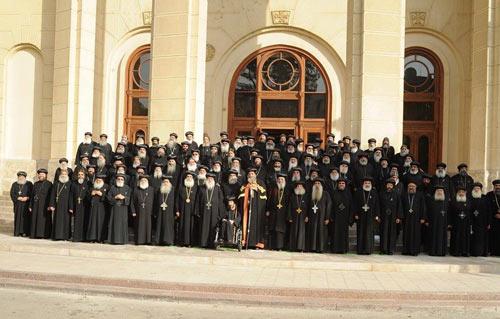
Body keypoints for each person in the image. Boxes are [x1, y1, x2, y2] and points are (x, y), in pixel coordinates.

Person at [238, 167, 267, 249]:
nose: (251, 175)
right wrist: (247, 190)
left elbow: (264, 196)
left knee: (256, 226)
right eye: (249, 174)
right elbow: (240, 196)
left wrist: (256, 189)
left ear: (255, 175)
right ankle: (246, 242)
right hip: (247, 209)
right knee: (247, 225)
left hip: (257, 210)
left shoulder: (261, 183)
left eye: (252, 174)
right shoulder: (244, 185)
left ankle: (256, 244)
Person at [352, 177, 380, 255]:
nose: (367, 184)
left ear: (371, 184)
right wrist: (355, 214)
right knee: (361, 232)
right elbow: (355, 204)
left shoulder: (374, 192)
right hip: (360, 216)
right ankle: (360, 250)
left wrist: (377, 215)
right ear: (363, 184)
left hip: (371, 216)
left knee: (369, 233)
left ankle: (368, 250)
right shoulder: (359, 192)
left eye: (368, 183)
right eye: (366, 183)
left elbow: (377, 204)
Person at [197, 173, 225, 248]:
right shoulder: (201, 188)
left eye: (211, 178)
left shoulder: (217, 188)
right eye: (208, 178)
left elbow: (221, 201)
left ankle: (212, 244)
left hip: (214, 212)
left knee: (213, 227)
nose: (210, 179)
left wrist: (220, 213)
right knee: (203, 227)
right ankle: (203, 243)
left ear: (214, 180)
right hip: (204, 211)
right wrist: (197, 211)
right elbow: (198, 200)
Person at [306, 178, 332, 253]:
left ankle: (320, 248)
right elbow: (307, 205)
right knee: (312, 231)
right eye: (315, 183)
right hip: (312, 217)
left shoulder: (325, 194)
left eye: (318, 183)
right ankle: (312, 248)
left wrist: (327, 217)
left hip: (322, 217)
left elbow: (329, 205)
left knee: (321, 232)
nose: (317, 185)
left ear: (321, 185)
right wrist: (307, 215)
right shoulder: (311, 193)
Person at [401, 181, 427, 256]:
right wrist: (401, 216)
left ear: (416, 187)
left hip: (417, 218)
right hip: (406, 218)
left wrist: (423, 217)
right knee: (406, 234)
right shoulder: (404, 195)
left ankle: (414, 251)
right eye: (410, 186)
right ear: (407, 188)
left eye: (413, 186)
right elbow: (401, 206)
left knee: (415, 234)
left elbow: (423, 207)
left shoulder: (420, 195)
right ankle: (406, 250)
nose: (411, 188)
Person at [378, 179, 402, 255]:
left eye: (391, 185)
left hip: (393, 217)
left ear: (393, 186)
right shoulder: (381, 193)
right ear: (386, 185)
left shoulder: (396, 194)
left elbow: (399, 206)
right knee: (383, 233)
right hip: (383, 216)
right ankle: (383, 250)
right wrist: (378, 216)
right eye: (388, 185)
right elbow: (378, 206)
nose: (389, 186)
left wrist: (398, 217)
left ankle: (390, 250)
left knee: (392, 233)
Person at [265, 173, 289, 250]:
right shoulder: (273, 189)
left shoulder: (287, 190)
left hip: (283, 214)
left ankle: (280, 247)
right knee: (272, 229)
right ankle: (272, 246)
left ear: (284, 181)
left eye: (282, 179)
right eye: (279, 179)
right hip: (273, 212)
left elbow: (289, 204)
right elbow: (269, 200)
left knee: (280, 231)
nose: (280, 181)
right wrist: (267, 210)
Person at [107, 174, 131, 244]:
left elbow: (130, 199)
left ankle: (123, 240)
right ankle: (113, 240)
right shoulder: (112, 188)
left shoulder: (127, 188)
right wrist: (115, 197)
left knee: (123, 224)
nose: (120, 180)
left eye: (121, 179)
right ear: (116, 180)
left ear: (124, 181)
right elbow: (108, 198)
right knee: (114, 223)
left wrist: (124, 198)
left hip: (123, 210)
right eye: (118, 179)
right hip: (114, 209)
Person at [330, 178, 352, 253]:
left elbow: (351, 206)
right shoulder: (334, 193)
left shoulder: (348, 193)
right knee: (335, 233)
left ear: (345, 185)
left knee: (344, 234)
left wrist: (350, 217)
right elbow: (331, 205)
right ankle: (335, 249)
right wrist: (331, 216)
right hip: (336, 217)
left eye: (343, 183)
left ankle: (343, 249)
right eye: (340, 183)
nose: (341, 185)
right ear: (338, 185)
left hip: (345, 217)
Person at [48, 170, 72, 240]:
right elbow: (52, 194)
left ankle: (66, 236)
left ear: (67, 175)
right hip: (57, 205)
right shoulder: (56, 183)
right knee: (57, 221)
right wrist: (52, 205)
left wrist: (71, 207)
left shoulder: (70, 183)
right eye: (62, 174)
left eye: (65, 174)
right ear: (59, 175)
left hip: (66, 206)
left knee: (66, 221)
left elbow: (71, 196)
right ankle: (57, 236)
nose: (63, 175)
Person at [131, 175, 155, 245]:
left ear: (147, 182)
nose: (143, 181)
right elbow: (132, 201)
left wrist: (153, 211)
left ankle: (148, 241)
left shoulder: (151, 189)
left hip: (148, 212)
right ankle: (139, 241)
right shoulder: (136, 189)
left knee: (148, 226)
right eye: (142, 180)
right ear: (139, 182)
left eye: (145, 180)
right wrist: (133, 211)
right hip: (138, 212)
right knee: (139, 226)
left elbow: (154, 201)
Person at [176, 171, 198, 246]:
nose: (189, 178)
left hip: (192, 211)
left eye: (190, 177)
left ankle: (190, 242)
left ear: (193, 178)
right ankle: (182, 242)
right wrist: (177, 210)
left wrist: (196, 210)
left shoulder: (195, 188)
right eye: (187, 177)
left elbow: (197, 200)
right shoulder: (181, 188)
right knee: (182, 225)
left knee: (191, 226)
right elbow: (177, 200)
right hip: (182, 210)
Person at [29, 168, 52, 239]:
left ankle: (43, 235)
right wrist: (30, 205)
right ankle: (34, 234)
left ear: (45, 175)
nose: (41, 175)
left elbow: (51, 196)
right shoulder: (35, 184)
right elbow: (32, 195)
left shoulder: (49, 184)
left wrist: (50, 205)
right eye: (40, 174)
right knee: (35, 219)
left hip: (44, 205)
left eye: (42, 174)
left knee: (43, 220)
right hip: (35, 205)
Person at [427, 186, 449, 256]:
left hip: (443, 223)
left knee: (442, 237)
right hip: (433, 223)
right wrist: (427, 220)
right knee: (433, 236)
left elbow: (450, 213)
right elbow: (427, 211)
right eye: (438, 191)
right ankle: (432, 251)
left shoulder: (446, 202)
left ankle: (441, 252)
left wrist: (449, 223)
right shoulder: (431, 200)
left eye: (441, 191)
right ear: (436, 192)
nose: (439, 192)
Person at [469, 182, 490, 257]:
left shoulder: (485, 198)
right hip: (472, 221)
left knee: (481, 238)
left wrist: (488, 223)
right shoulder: (469, 198)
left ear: (481, 189)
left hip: (482, 222)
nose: (476, 190)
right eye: (475, 188)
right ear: (473, 190)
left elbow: (488, 211)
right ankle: (472, 252)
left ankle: (482, 252)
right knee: (473, 237)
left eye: (478, 188)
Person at [86, 174, 109, 243]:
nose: (98, 181)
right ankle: (92, 238)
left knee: (101, 223)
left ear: (103, 180)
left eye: (100, 180)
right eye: (97, 180)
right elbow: (87, 198)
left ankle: (100, 239)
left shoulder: (106, 187)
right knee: (93, 222)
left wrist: (102, 195)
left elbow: (109, 198)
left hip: (102, 208)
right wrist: (91, 194)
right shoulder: (92, 187)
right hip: (93, 208)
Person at [449, 186, 471, 257]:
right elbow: (450, 213)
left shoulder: (468, 201)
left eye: (463, 192)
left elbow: (470, 213)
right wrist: (450, 223)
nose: (461, 193)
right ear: (457, 193)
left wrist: (470, 223)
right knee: (456, 236)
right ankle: (455, 251)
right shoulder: (453, 201)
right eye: (459, 192)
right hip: (455, 223)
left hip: (466, 223)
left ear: (465, 193)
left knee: (465, 237)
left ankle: (465, 251)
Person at [287, 180, 308, 252]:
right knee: (294, 231)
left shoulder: (306, 196)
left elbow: (308, 207)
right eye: (298, 186)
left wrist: (307, 216)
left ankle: (300, 247)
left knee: (301, 232)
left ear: (303, 188)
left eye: (300, 186)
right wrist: (289, 216)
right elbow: (289, 207)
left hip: (303, 216)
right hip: (294, 216)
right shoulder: (293, 196)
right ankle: (293, 247)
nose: (299, 187)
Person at [10, 171, 33, 237]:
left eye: (22, 177)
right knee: (17, 218)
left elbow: (32, 193)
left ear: (25, 177)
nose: (21, 178)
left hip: (26, 204)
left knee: (25, 218)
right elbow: (12, 193)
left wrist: (28, 198)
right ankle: (17, 232)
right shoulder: (14, 184)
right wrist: (17, 198)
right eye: (20, 176)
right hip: (18, 204)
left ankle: (25, 232)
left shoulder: (29, 184)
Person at [155, 175, 176, 246]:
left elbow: (175, 201)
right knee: (160, 225)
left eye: (167, 182)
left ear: (169, 183)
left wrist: (176, 211)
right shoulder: (159, 189)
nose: (165, 183)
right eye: (164, 182)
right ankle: (159, 240)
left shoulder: (172, 189)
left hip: (170, 212)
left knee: (168, 226)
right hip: (160, 211)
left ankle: (168, 241)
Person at [70, 169, 90, 242]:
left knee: (84, 221)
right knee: (77, 221)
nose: (80, 176)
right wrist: (71, 207)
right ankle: (76, 237)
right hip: (76, 205)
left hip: (85, 205)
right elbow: (71, 196)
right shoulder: (74, 184)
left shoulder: (87, 184)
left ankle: (84, 238)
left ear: (84, 176)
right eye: (79, 175)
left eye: (82, 175)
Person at [487, 179, 500, 256]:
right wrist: (495, 214)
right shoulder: (489, 195)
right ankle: (493, 252)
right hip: (493, 220)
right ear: (494, 187)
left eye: (499, 186)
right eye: (496, 186)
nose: (498, 187)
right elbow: (488, 208)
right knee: (494, 236)